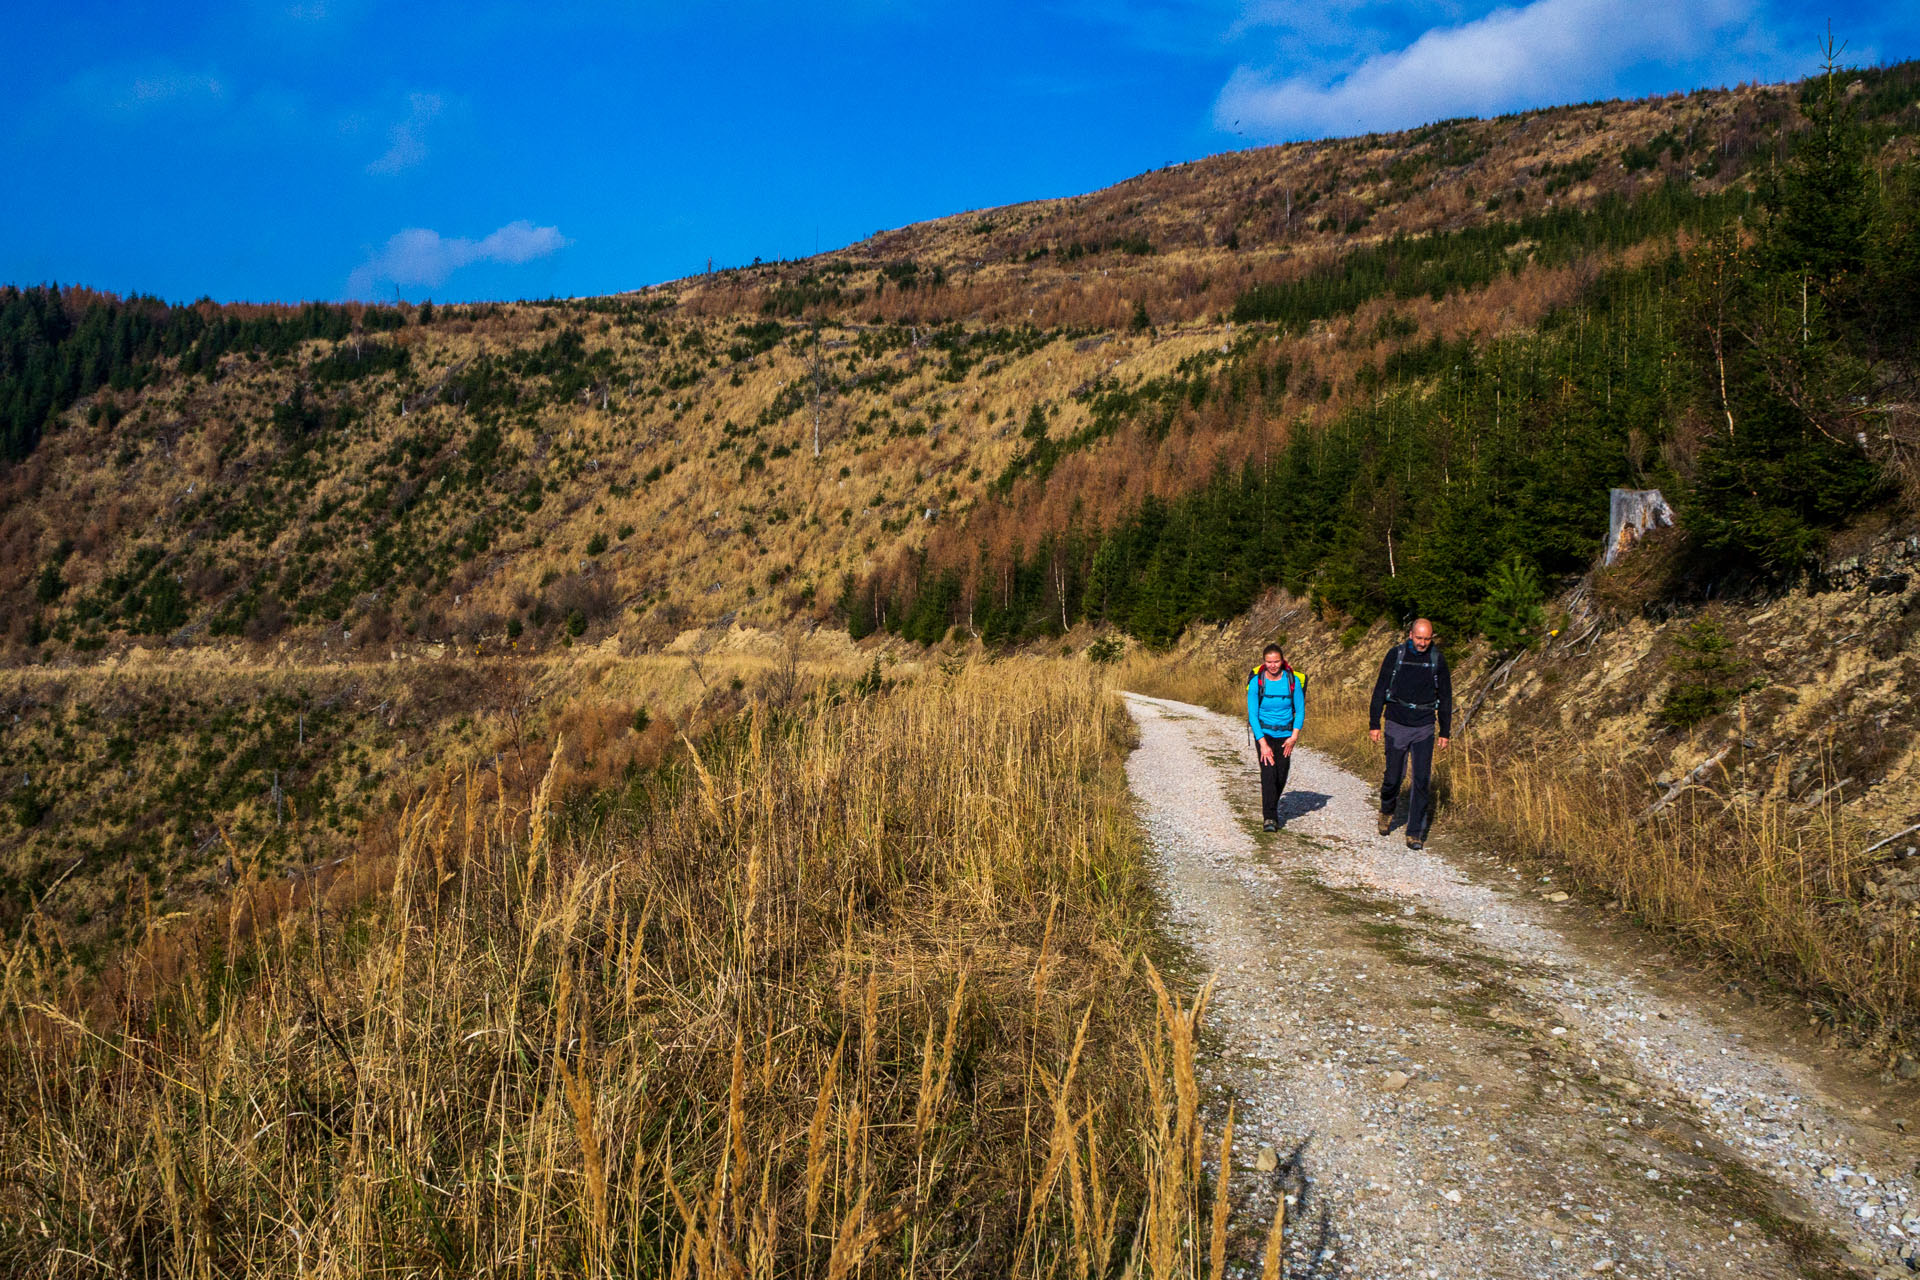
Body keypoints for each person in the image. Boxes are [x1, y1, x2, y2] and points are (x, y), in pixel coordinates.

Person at [1368, 618, 1452, 850]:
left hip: (1424, 726)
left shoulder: (1438, 660)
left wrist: (1445, 731)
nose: (1423, 643)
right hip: (1396, 722)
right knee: (1393, 777)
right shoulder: (1396, 655)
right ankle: (1387, 808)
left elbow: (1446, 697)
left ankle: (1414, 832)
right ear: (1410, 635)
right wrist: (1374, 723)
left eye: (1427, 638)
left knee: (1421, 780)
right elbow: (1380, 688)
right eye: (1419, 638)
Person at [1246, 643, 1305, 831]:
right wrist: (1262, 743)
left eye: (1276, 661)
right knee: (1268, 774)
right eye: (1269, 662)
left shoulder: (1292, 680)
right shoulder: (1257, 682)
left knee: (1281, 775)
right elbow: (1253, 715)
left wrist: (1294, 736)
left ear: (1282, 661)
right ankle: (1270, 818)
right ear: (1264, 662)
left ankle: (1271, 804)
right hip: (1264, 734)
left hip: (1286, 735)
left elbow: (1300, 711)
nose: (1272, 665)